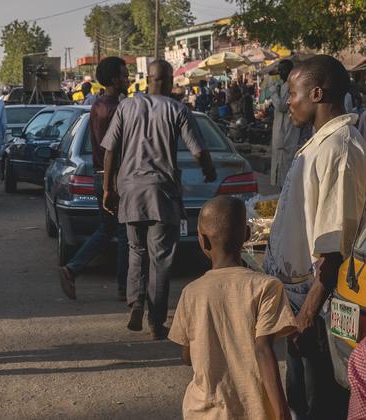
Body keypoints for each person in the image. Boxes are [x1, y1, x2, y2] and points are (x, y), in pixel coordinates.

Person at [263, 54, 366, 420]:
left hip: (321, 304)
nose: (287, 100)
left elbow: (334, 249)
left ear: (317, 93)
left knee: (318, 402)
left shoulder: (341, 149)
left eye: (293, 92)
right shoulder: (320, 143)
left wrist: (307, 314)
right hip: (300, 298)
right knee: (300, 398)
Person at [101, 60, 217, 340]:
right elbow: (198, 151)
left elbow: (110, 151)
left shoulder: (126, 107)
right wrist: (209, 171)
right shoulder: (178, 110)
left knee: (136, 250)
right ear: (168, 81)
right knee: (161, 258)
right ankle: (156, 321)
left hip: (129, 190)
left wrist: (108, 187)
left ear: (148, 79)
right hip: (162, 192)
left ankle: (136, 300)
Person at [169, 196, 296, 420]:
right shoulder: (266, 287)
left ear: (203, 242)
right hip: (253, 411)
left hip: (203, 412)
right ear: (247, 235)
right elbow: (263, 349)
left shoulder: (191, 292)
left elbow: (187, 356)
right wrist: (282, 412)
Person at [59, 56, 130, 301]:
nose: (127, 79)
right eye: (123, 75)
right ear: (113, 79)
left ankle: (72, 268)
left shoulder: (97, 105)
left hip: (100, 177)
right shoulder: (117, 109)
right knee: (123, 233)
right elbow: (116, 148)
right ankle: (124, 287)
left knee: (107, 229)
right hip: (114, 178)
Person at [270, 59, 307, 186]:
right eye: (279, 70)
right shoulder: (282, 85)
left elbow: (281, 106)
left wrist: (273, 92)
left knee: (286, 169)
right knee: (279, 168)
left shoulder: (291, 86)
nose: (280, 73)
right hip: (280, 132)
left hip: (287, 132)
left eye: (283, 70)